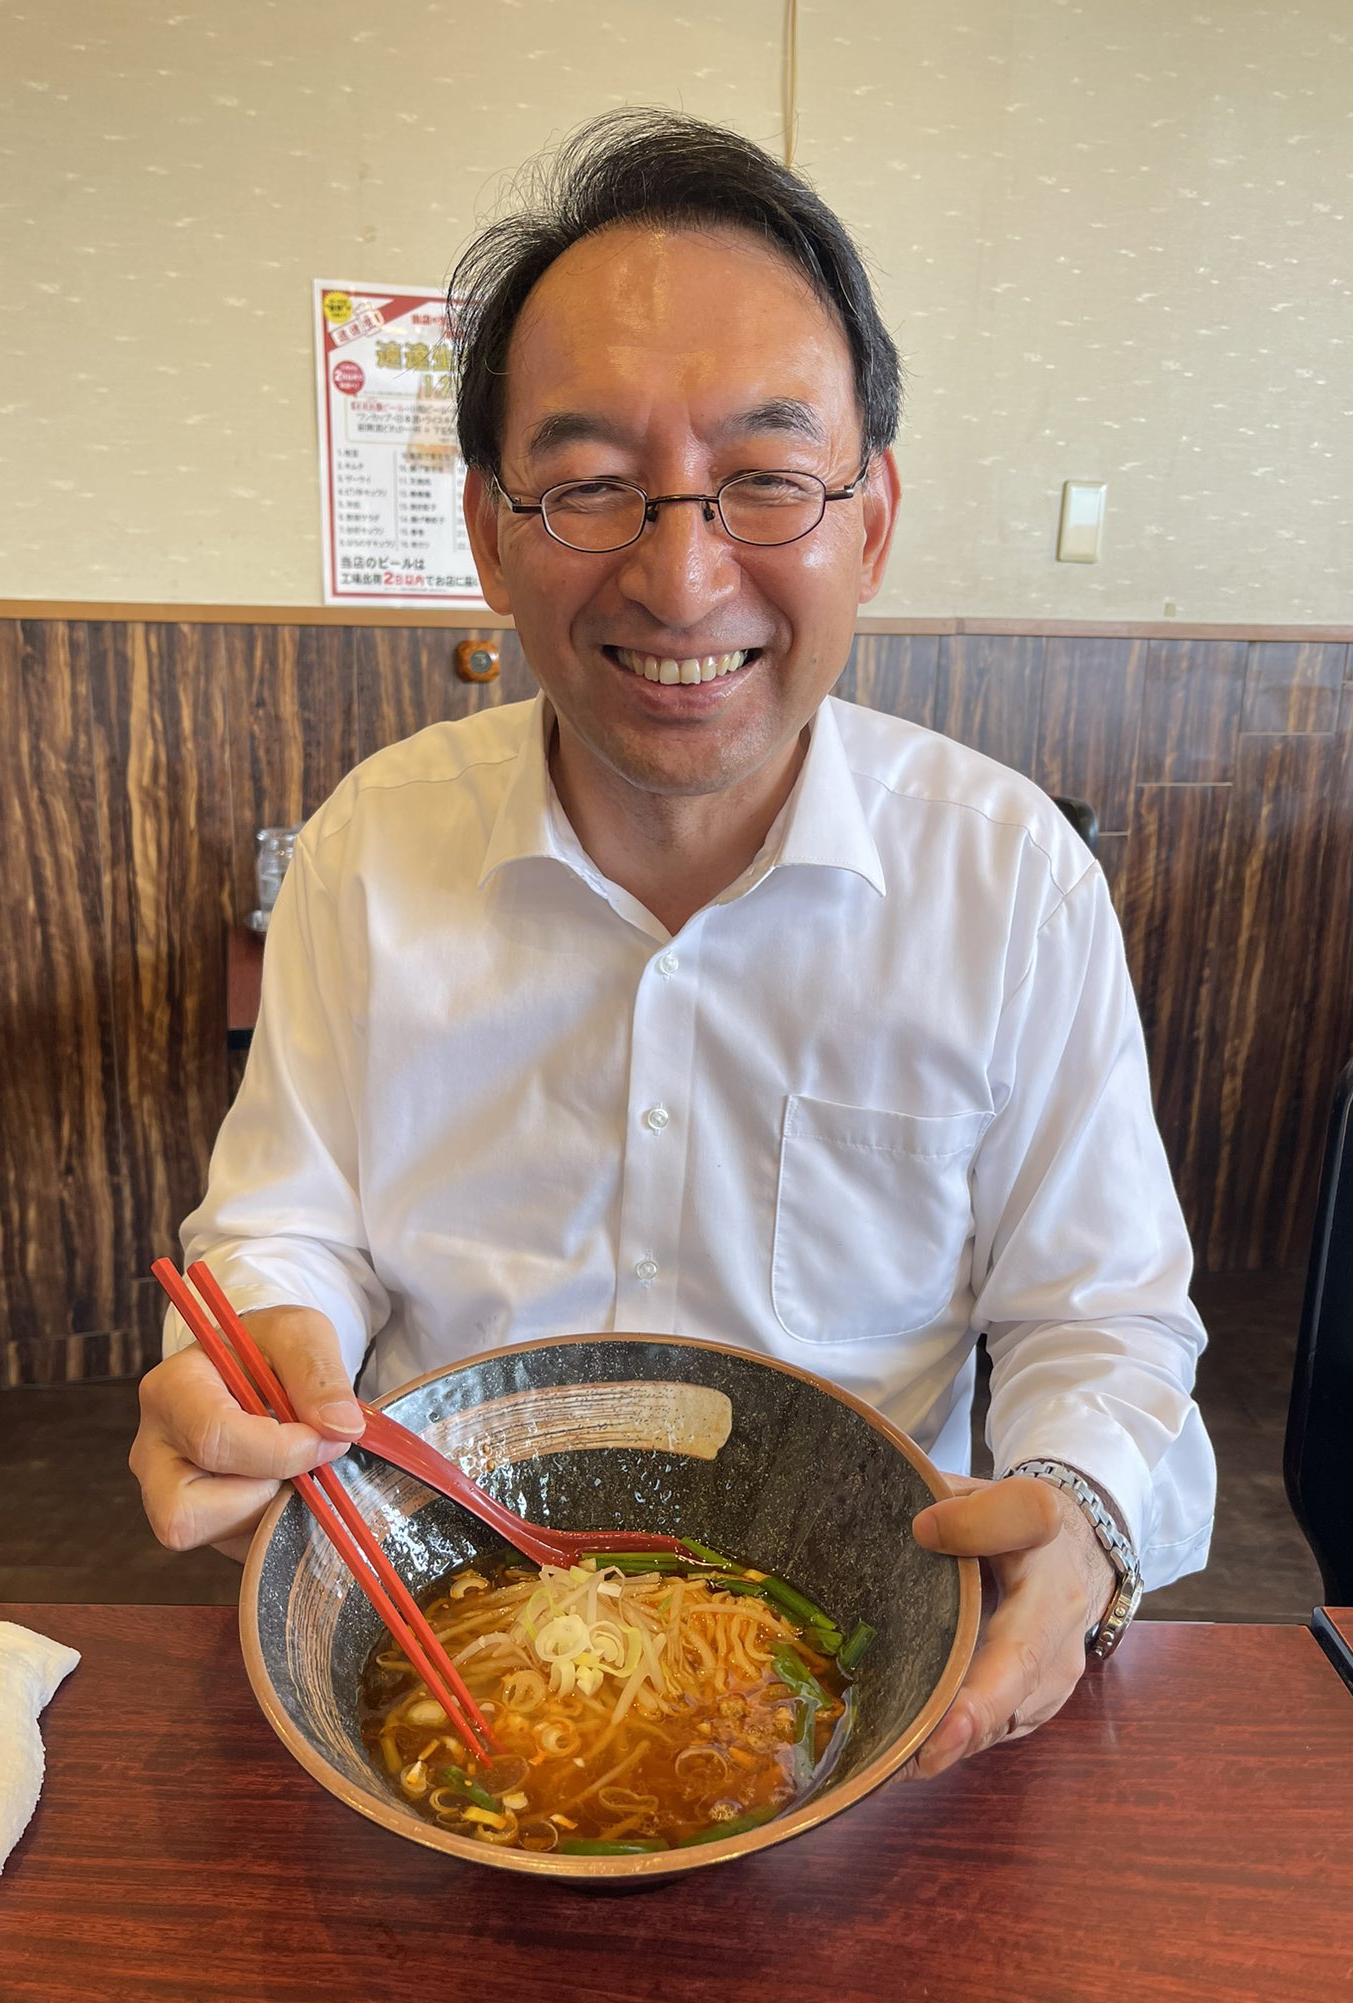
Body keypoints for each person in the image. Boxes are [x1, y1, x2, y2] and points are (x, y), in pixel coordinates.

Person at [130, 109, 1214, 1778]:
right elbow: (285, 1232)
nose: (685, 574)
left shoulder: (1009, 883)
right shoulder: (371, 848)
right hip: (429, 1633)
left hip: (867, 1691)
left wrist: (1079, 1513)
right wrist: (262, 1344)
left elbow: (1102, 1323)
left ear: (871, 519)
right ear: (491, 534)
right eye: (590, 487)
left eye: (765, 480)